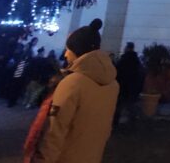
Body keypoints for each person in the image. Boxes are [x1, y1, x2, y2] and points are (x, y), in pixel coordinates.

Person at [33, 19, 118, 163]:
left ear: (77, 50)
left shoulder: (73, 83)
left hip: (65, 157)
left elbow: (56, 131)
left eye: (68, 49)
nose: (65, 54)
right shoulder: (113, 84)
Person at [113, 42, 143, 128]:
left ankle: (115, 123)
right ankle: (132, 123)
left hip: (123, 87)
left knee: (119, 106)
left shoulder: (124, 60)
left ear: (128, 48)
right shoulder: (136, 61)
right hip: (132, 87)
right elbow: (140, 74)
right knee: (130, 105)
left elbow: (117, 72)